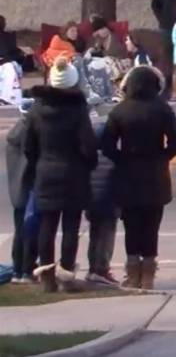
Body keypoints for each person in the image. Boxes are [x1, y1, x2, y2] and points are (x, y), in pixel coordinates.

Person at [101, 66, 176, 290]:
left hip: (128, 172)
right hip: (155, 173)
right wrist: (163, 157)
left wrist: (120, 158)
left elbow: (106, 143)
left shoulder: (120, 111)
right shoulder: (162, 109)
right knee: (151, 225)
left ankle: (132, 271)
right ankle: (148, 273)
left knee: (132, 225)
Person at [25, 58, 98, 292]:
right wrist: (90, 163)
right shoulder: (77, 110)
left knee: (47, 224)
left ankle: (46, 277)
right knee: (70, 226)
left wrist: (38, 163)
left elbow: (29, 145)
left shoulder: (36, 109)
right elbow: (87, 144)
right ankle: (66, 276)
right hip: (74, 172)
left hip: (45, 171)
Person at [85, 122, 119, 286]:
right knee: (106, 237)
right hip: (108, 202)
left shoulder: (87, 157)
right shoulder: (112, 157)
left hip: (91, 202)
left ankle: (93, 268)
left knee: (94, 235)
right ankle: (101, 269)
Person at [6, 114, 36, 284]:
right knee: (30, 230)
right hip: (29, 190)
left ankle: (18, 268)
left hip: (17, 193)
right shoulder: (27, 135)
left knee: (20, 230)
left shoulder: (13, 140)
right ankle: (26, 269)